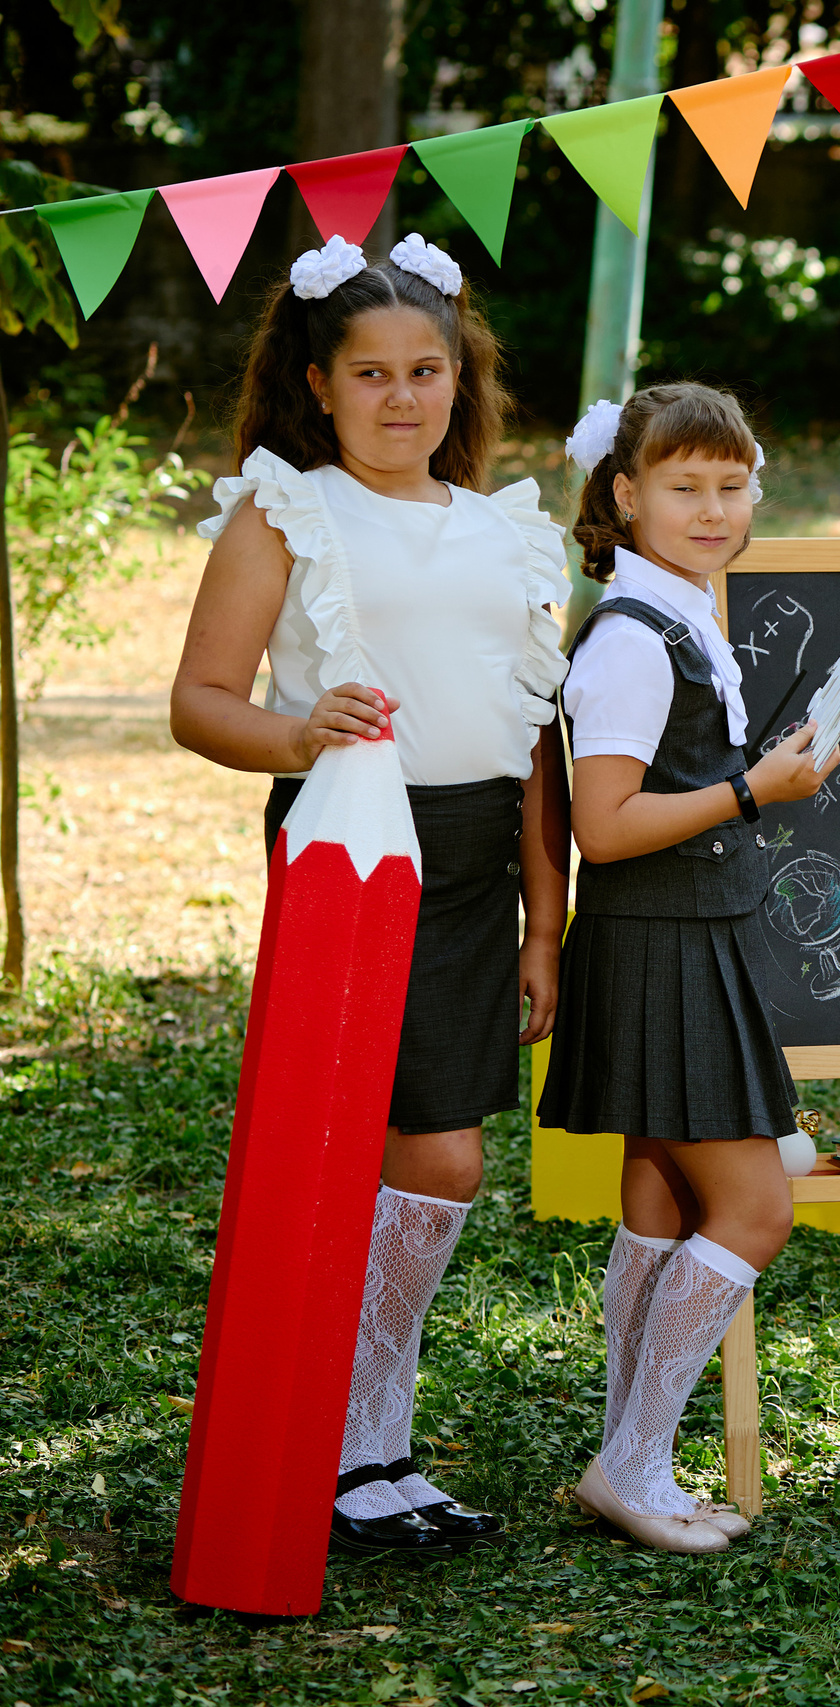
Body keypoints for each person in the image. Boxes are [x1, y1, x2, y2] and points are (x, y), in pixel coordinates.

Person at [171, 233, 572, 1554]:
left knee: (440, 1155)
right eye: (372, 373)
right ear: (319, 382)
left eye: (426, 370)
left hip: (473, 861)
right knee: (352, 1150)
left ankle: (372, 1437)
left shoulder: (506, 531)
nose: (403, 397)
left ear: (462, 378)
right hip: (349, 842)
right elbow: (200, 701)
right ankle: (335, 1445)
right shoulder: (287, 511)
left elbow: (534, 744)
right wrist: (299, 732)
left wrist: (545, 921)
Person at [539, 382, 833, 1555]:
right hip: (661, 944)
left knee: (661, 1197)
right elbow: (604, 827)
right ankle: (628, 1466)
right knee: (755, 1208)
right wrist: (755, 789)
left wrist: (752, 778)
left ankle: (637, 1461)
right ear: (625, 495)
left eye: (732, 486)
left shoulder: (680, 614)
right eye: (684, 488)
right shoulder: (633, 640)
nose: (713, 510)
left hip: (681, 936)